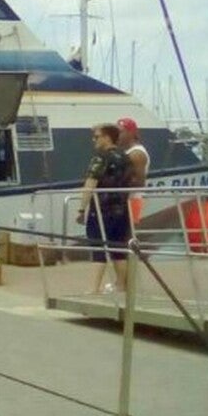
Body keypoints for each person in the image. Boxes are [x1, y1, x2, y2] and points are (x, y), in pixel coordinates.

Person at [78, 123, 133, 294]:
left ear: (107, 137)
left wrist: (81, 209)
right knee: (119, 249)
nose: (93, 140)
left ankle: (94, 288)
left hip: (101, 210)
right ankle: (122, 286)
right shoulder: (125, 157)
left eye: (97, 137)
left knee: (98, 247)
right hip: (122, 210)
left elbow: (91, 183)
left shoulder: (100, 157)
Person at [117, 117, 150, 225]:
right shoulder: (129, 152)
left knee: (129, 231)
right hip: (126, 200)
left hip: (132, 200)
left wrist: (115, 182)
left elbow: (140, 182)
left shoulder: (136, 154)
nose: (117, 136)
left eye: (120, 132)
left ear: (131, 133)